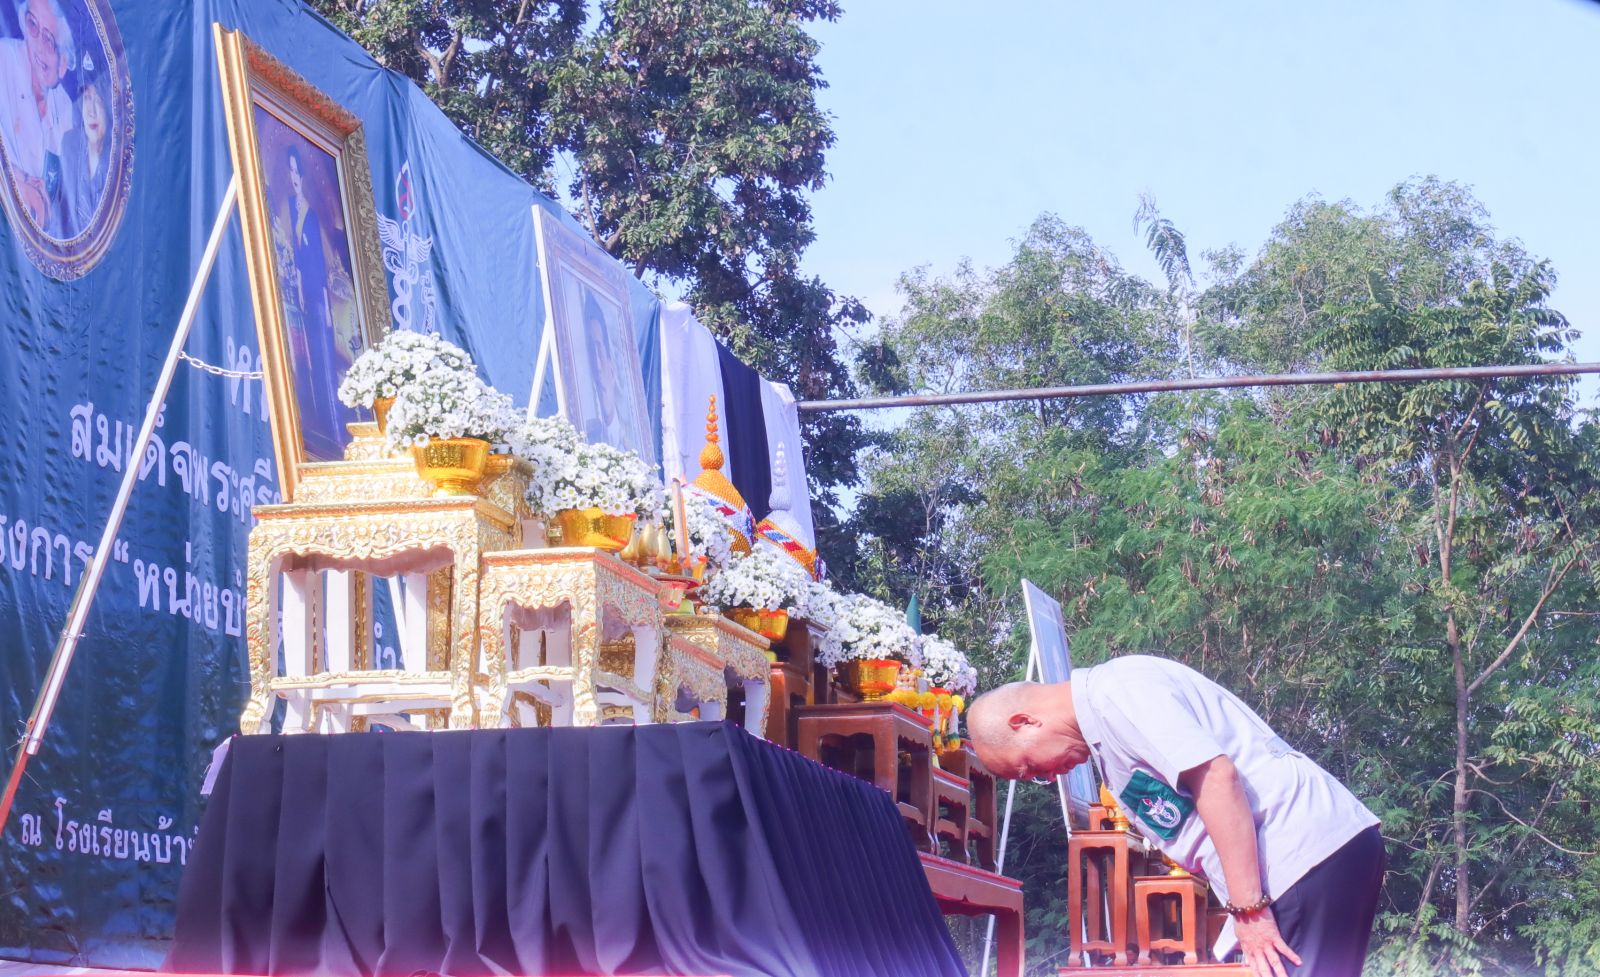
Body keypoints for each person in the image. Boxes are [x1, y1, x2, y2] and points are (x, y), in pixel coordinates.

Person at [967, 654, 1384, 977]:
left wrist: (1249, 911)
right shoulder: (1104, 729)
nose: (1046, 776)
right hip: (1302, 863)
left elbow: (1216, 779)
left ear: (1025, 721)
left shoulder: (1116, 694)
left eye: (1029, 767)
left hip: (1299, 856)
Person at [0, 0, 75, 228]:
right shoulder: (3, 59)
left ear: (63, 64)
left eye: (50, 40)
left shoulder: (64, 105)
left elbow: (60, 188)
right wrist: (16, 182)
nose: (39, 47)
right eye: (33, 25)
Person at [55, 57, 107, 239]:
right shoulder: (70, 144)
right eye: (87, 98)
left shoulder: (118, 156)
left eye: (98, 100)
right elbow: (59, 210)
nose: (91, 111)